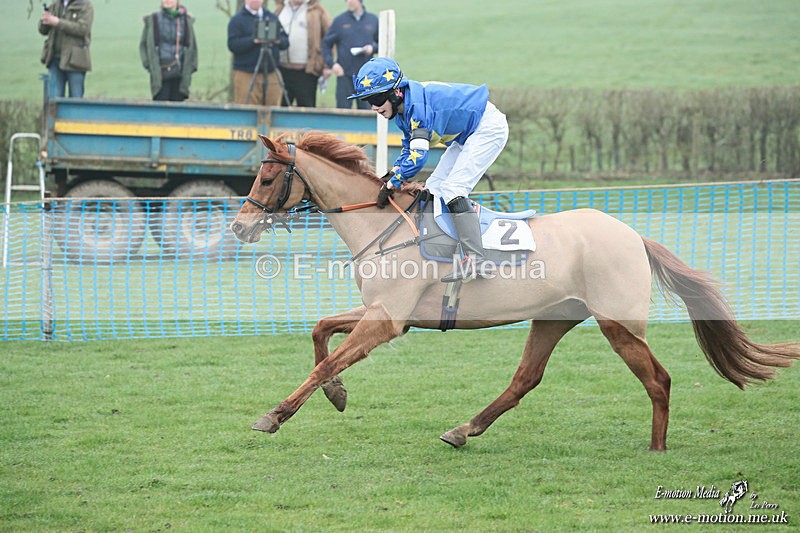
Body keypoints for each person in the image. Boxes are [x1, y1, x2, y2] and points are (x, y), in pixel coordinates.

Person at [349, 57, 509, 282]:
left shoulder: (417, 108)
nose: (374, 106)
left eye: (376, 98)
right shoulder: (404, 110)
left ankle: (476, 260)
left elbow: (418, 158)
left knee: (453, 189)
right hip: (467, 134)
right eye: (368, 100)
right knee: (433, 189)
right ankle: (441, 250)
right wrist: (393, 174)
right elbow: (408, 149)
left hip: (487, 128)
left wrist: (394, 183)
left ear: (396, 93)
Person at [228, 0, 289, 106]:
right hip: (246, 72)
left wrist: (276, 40)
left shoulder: (271, 17)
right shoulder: (237, 20)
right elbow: (233, 45)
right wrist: (253, 40)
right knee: (247, 110)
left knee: (273, 108)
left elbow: (285, 42)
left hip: (271, 71)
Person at [321, 0, 378, 109]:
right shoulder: (339, 21)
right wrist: (332, 64)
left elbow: (381, 43)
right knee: (343, 113)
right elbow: (326, 45)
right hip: (344, 76)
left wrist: (372, 48)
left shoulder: (373, 20)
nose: (349, 2)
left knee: (366, 114)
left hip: (366, 77)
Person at [274, 0, 331, 107]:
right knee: (281, 109)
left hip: (306, 71)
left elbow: (329, 39)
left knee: (306, 110)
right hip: (281, 71)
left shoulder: (317, 11)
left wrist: (327, 65)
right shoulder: (280, 9)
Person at [139, 0, 198, 102]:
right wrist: (149, 65)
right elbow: (143, 45)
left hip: (180, 75)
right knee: (160, 113)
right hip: (160, 75)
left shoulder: (186, 21)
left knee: (178, 113)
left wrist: (191, 67)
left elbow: (193, 47)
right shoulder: (153, 20)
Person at [39, 0, 94, 99]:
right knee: (54, 100)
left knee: (76, 101)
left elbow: (83, 29)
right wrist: (45, 20)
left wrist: (58, 22)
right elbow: (43, 31)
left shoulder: (85, 5)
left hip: (75, 61)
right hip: (54, 59)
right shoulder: (55, 4)